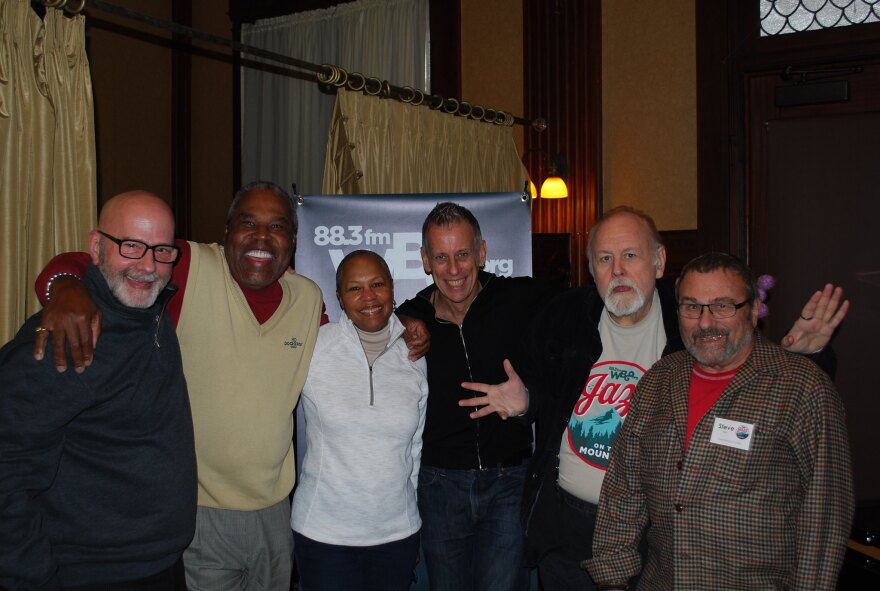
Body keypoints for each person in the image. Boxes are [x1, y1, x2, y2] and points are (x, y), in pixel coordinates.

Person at [459, 206, 848, 590]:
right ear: (591, 268)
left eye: (631, 255)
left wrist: (807, 356)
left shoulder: (689, 322)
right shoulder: (565, 316)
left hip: (660, 539)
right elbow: (540, 389)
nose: (618, 271)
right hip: (567, 529)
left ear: (659, 261)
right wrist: (528, 402)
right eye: (604, 259)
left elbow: (753, 375)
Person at [31, 182, 323, 590]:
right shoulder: (191, 266)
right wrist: (63, 287)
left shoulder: (308, 298)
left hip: (277, 512)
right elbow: (96, 260)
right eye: (248, 223)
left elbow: (352, 346)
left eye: (277, 226)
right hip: (195, 511)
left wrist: (413, 326)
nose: (261, 236)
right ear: (225, 232)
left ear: (292, 240)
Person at [585, 251, 854, 589]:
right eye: (691, 306)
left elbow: (825, 517)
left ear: (754, 310)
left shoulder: (802, 389)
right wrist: (613, 579)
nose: (706, 322)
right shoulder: (658, 380)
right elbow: (623, 492)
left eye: (723, 306)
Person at [0, 191, 196, 589]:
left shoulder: (150, 314)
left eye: (161, 250)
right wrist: (33, 579)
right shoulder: (68, 336)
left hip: (158, 563)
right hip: (94, 572)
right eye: (131, 246)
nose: (147, 265)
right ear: (95, 246)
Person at [395, 202, 554, 591]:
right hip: (439, 486)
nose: (453, 269)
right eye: (442, 257)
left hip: (508, 482)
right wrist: (406, 320)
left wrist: (529, 402)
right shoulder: (410, 319)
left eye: (463, 254)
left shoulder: (523, 299)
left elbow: (571, 362)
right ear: (425, 261)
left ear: (482, 253)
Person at [291, 250, 428, 591]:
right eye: (355, 288)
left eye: (377, 284)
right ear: (339, 297)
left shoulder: (414, 355)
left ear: (392, 288)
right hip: (323, 535)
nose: (368, 297)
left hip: (396, 535)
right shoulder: (315, 348)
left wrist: (410, 522)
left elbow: (414, 450)